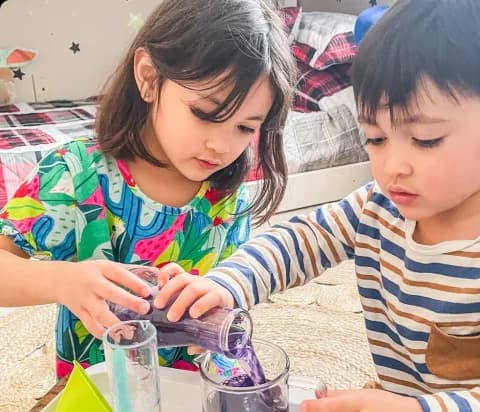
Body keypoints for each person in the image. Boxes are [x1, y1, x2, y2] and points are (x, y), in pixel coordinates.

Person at [152, 0, 480, 412]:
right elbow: (301, 237)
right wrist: (228, 285)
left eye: (425, 139)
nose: (393, 165)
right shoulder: (377, 206)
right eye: (374, 138)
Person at [0, 0, 296, 378]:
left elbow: (232, 290)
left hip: (196, 386)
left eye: (244, 128)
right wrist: (62, 280)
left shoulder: (224, 192)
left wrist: (210, 296)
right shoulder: (75, 174)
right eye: (206, 113)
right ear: (149, 77)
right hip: (103, 391)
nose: (221, 146)